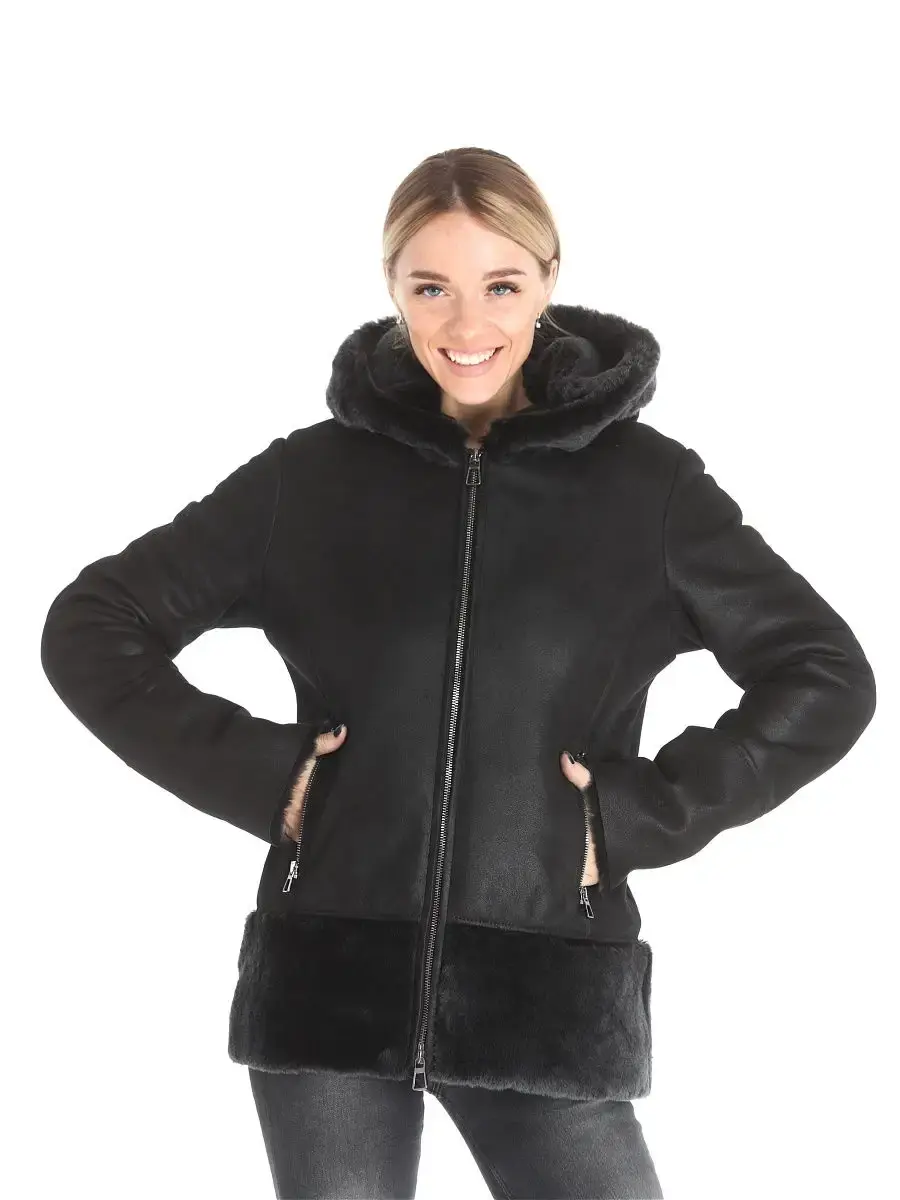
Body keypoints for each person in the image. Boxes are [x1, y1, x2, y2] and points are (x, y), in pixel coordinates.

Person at [39, 147, 876, 1199]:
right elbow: (93, 625)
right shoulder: (310, 480)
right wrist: (274, 782)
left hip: (546, 990)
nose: (467, 323)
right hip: (329, 986)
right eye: (432, 287)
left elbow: (824, 673)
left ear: (549, 280)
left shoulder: (648, 491)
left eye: (501, 286)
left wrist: (631, 817)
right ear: (393, 289)